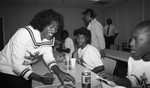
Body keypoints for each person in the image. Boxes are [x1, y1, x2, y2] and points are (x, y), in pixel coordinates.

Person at [0, 9, 75, 88]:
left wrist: (59, 72)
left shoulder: (48, 37)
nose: (53, 30)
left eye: (56, 28)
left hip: (24, 68)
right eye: (51, 26)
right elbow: (17, 66)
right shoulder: (23, 34)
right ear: (43, 24)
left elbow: (49, 58)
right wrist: (40, 78)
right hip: (7, 69)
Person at [99, 20, 150, 88]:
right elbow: (131, 82)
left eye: (136, 39)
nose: (130, 43)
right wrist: (115, 79)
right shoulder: (132, 60)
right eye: (131, 39)